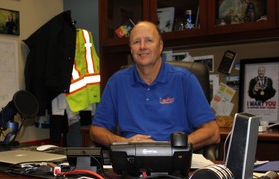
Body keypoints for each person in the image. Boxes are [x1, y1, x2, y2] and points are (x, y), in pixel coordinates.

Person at [90, 21, 220, 151]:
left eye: (149, 40)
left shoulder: (184, 80)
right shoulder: (117, 82)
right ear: (131, 49)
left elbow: (212, 131)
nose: (142, 46)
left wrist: (169, 148)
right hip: (131, 160)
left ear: (160, 46)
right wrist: (125, 143)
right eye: (136, 42)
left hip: (174, 159)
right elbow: (96, 131)